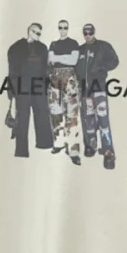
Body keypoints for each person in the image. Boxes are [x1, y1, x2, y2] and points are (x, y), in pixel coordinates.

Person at [6, 23, 53, 158]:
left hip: (39, 87)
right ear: (29, 31)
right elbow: (12, 70)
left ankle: (44, 144)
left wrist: (47, 85)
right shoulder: (16, 48)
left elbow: (45, 69)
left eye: (39, 33)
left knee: (42, 114)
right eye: (35, 32)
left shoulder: (43, 48)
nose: (37, 35)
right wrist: (12, 90)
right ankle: (21, 151)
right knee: (22, 119)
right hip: (22, 87)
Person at [76, 23, 119, 169]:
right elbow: (75, 67)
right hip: (85, 90)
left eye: (90, 32)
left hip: (98, 87)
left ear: (94, 32)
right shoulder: (80, 49)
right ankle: (91, 145)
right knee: (88, 119)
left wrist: (101, 68)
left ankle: (108, 151)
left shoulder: (103, 46)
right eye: (85, 33)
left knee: (103, 119)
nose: (88, 35)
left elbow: (115, 61)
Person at [46, 19, 82, 165]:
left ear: (68, 28)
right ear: (58, 28)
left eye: (65, 27)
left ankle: (73, 150)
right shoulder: (53, 44)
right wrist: (64, 58)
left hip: (70, 79)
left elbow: (73, 61)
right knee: (55, 112)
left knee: (72, 115)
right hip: (55, 79)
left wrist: (58, 58)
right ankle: (59, 142)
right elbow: (50, 59)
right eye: (60, 27)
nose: (62, 30)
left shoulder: (73, 43)